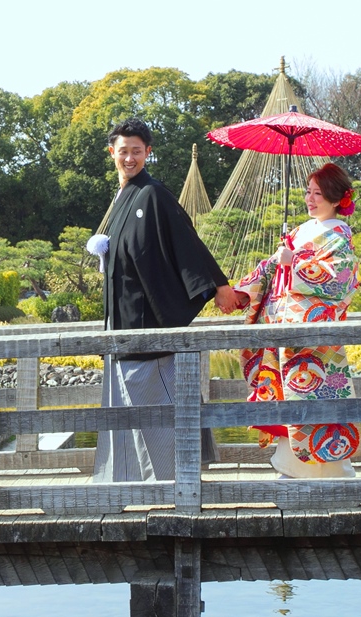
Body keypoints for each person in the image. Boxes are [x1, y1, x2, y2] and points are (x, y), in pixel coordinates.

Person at [91, 118, 239, 483]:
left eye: (136, 152)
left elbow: (184, 241)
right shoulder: (123, 196)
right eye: (123, 151)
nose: (129, 158)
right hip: (121, 324)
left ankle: (176, 484)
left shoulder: (152, 194)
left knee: (156, 408)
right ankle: (134, 485)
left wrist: (217, 285)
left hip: (145, 324)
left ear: (147, 153)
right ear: (112, 153)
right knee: (129, 411)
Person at [233, 162, 361, 479]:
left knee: (314, 397)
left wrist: (298, 261)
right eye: (308, 191)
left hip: (312, 337)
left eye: (319, 193)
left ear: (336, 199)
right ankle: (290, 466)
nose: (310, 198)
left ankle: (331, 471)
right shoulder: (301, 230)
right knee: (283, 396)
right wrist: (242, 291)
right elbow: (272, 268)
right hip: (281, 329)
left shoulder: (338, 236)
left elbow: (339, 280)